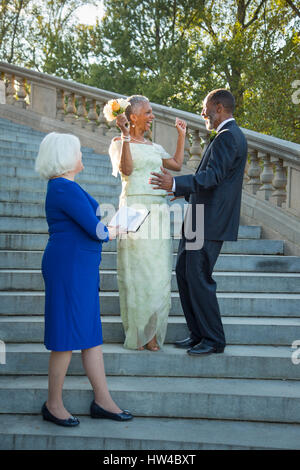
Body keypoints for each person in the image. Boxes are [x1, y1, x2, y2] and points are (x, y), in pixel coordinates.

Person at [35, 132, 132, 427]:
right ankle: (53, 405)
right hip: (69, 268)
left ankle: (103, 400)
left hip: (81, 268)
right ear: (66, 157)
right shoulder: (63, 187)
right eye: (77, 151)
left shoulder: (67, 187)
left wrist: (112, 226)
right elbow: (97, 231)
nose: (81, 156)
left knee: (90, 335)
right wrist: (117, 229)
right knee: (65, 337)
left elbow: (93, 225)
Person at [150, 89, 248, 356]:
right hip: (199, 218)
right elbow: (208, 177)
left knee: (198, 276)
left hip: (210, 221)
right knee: (184, 272)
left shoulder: (229, 137)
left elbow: (213, 177)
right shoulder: (225, 137)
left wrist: (176, 182)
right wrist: (178, 191)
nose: (203, 113)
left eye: (205, 108)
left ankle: (214, 339)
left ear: (218, 107)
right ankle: (197, 333)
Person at [108, 95, 186, 351]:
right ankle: (138, 334)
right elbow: (126, 170)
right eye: (148, 112)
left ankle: (152, 335)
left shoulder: (153, 146)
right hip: (134, 211)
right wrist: (125, 135)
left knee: (158, 276)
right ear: (133, 117)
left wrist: (181, 135)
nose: (152, 116)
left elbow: (175, 164)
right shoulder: (119, 142)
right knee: (137, 274)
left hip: (159, 213)